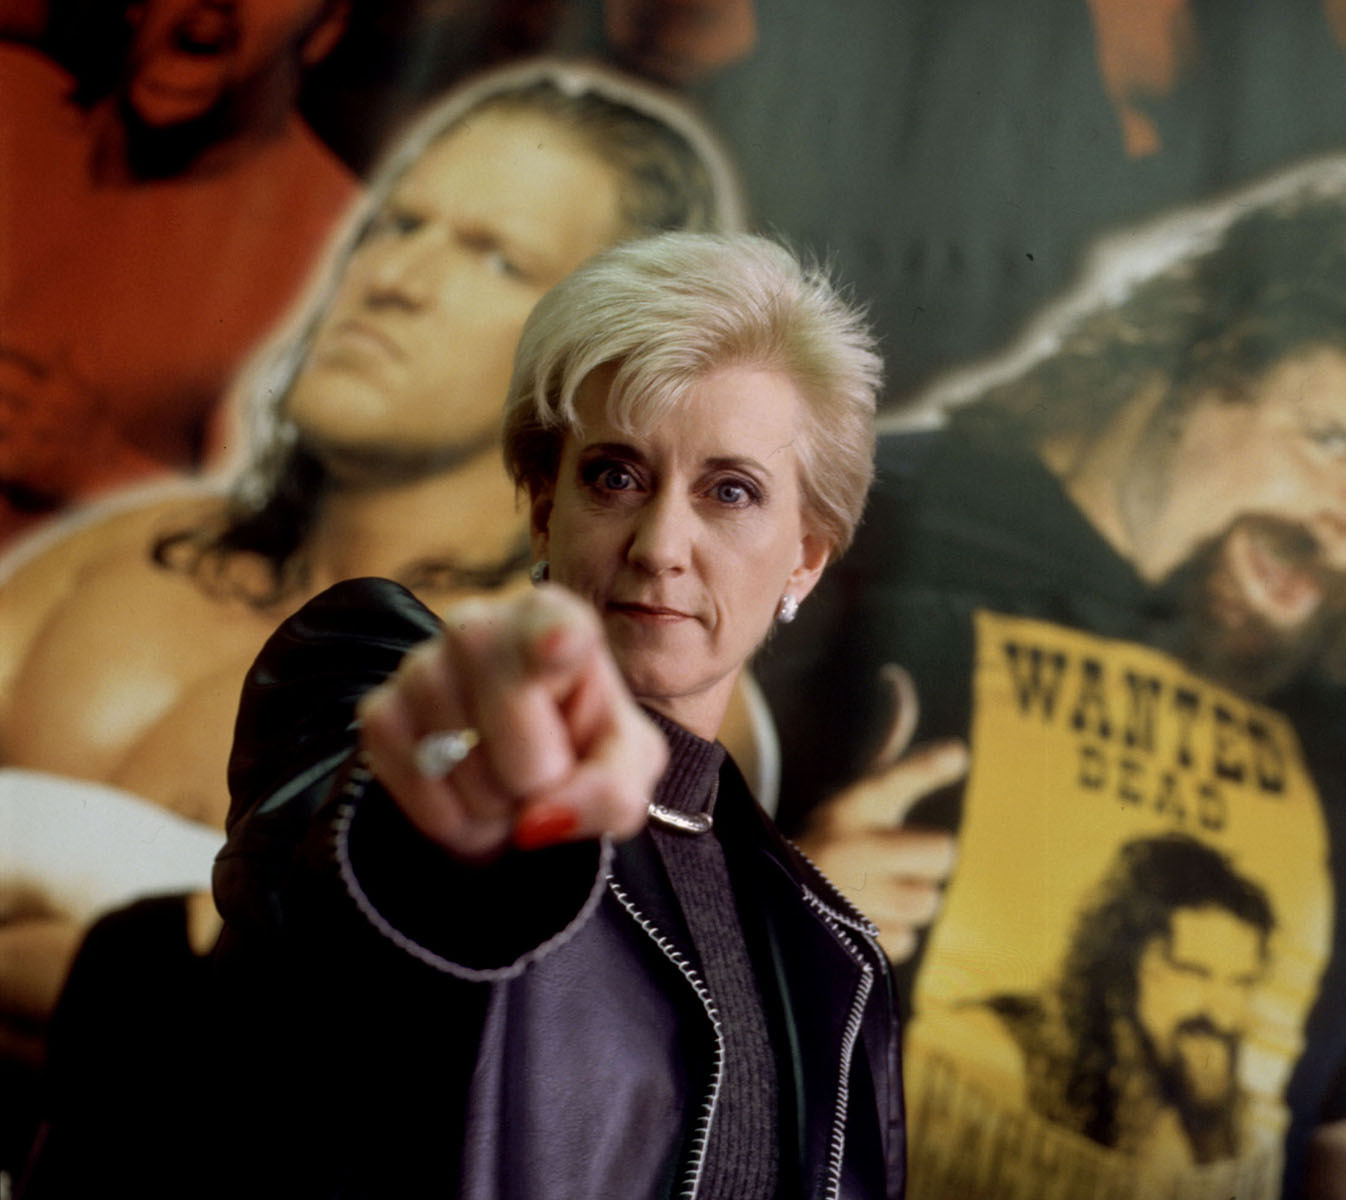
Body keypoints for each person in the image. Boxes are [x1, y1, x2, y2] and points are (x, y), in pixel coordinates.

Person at [759, 157, 1346, 1199]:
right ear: (1176, 361)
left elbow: (1319, 1132)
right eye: (1334, 440)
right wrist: (773, 913)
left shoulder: (1321, 715)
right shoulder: (832, 537)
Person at [0, 58, 741, 1165]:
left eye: (495, 255)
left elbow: (426, 1070)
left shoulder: (616, 659)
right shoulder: (126, 553)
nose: (394, 277)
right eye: (398, 225)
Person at [197, 231, 900, 1198]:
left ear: (806, 559)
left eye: (730, 491)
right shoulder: (369, 674)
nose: (661, 545)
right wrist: (460, 805)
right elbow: (347, 881)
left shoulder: (834, 958)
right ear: (542, 509)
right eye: (615, 476)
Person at [0, 0, 362, 543]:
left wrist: (100, 472)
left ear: (324, 28)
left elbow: (315, 558)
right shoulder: (16, 98)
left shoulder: (334, 254)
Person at [981, 835, 1275, 1172]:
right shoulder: (1001, 1043)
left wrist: (1210, 1130)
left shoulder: (1214, 1100)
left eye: (1240, 982)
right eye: (1192, 973)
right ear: (1121, 966)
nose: (1220, 1013)